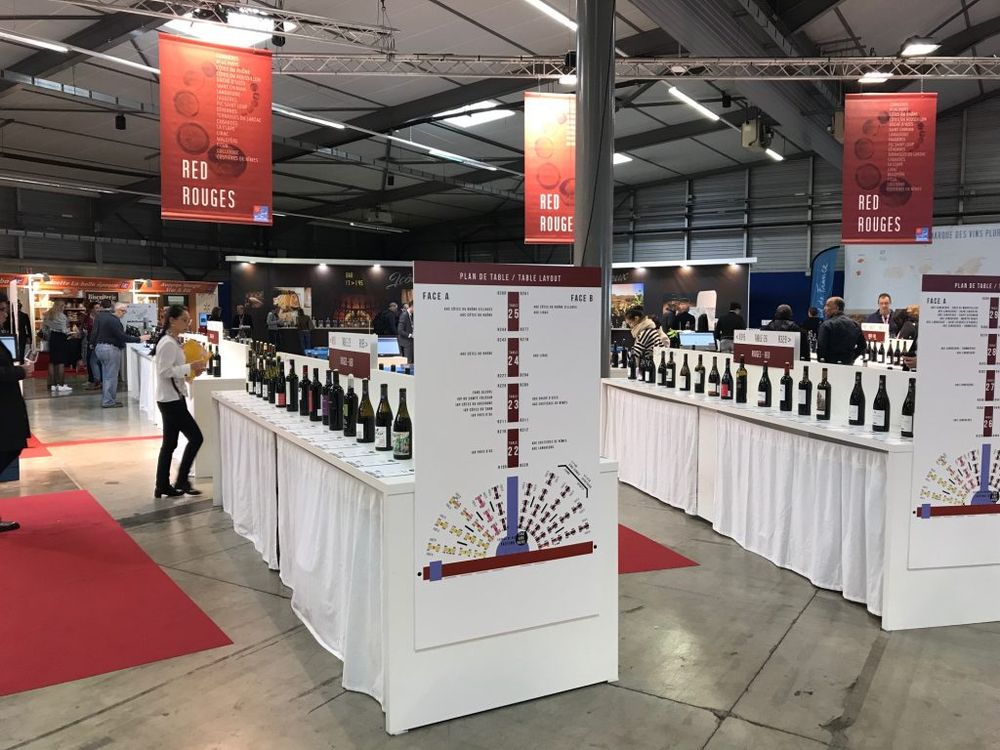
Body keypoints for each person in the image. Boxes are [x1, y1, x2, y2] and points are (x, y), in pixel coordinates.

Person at [152, 305, 206, 498]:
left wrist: (190, 371)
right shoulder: (167, 343)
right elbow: (164, 371)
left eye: (188, 320)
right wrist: (189, 367)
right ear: (172, 320)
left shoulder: (172, 342)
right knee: (196, 438)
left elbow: (173, 370)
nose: (187, 323)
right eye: (184, 320)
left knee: (170, 444)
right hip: (171, 400)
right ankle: (181, 480)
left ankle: (163, 484)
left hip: (172, 397)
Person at [0, 301, 31, 531]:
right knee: (7, 448)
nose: (5, 315)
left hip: (7, 404)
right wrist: (20, 371)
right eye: (1, 310)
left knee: (11, 447)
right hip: (3, 407)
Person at [93, 302, 148, 408]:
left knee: (106, 376)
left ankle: (107, 399)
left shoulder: (103, 318)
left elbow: (95, 332)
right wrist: (139, 339)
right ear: (118, 310)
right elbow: (122, 336)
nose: (124, 314)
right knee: (111, 377)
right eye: (124, 311)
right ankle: (108, 401)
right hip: (110, 349)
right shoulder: (114, 321)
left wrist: (92, 344)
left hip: (100, 348)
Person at [40, 300, 78, 394]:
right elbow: (65, 330)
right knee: (61, 362)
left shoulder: (48, 315)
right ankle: (60, 384)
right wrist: (71, 334)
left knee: (52, 361)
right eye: (63, 306)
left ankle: (52, 384)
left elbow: (44, 330)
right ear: (61, 306)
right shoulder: (62, 316)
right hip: (61, 339)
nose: (64, 307)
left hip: (52, 339)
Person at [817, 296, 866, 365]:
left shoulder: (826, 325)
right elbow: (862, 346)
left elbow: (821, 348)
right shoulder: (855, 325)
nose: (825, 308)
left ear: (837, 308)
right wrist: (852, 357)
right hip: (848, 364)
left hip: (829, 365)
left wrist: (822, 361)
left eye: (827, 305)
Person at [82, 301, 102, 390]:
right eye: (96, 308)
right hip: (89, 341)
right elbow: (84, 328)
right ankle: (91, 379)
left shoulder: (101, 317)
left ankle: (98, 380)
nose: (98, 309)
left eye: (99, 307)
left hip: (99, 341)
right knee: (90, 360)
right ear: (92, 309)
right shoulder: (87, 318)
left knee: (96, 361)